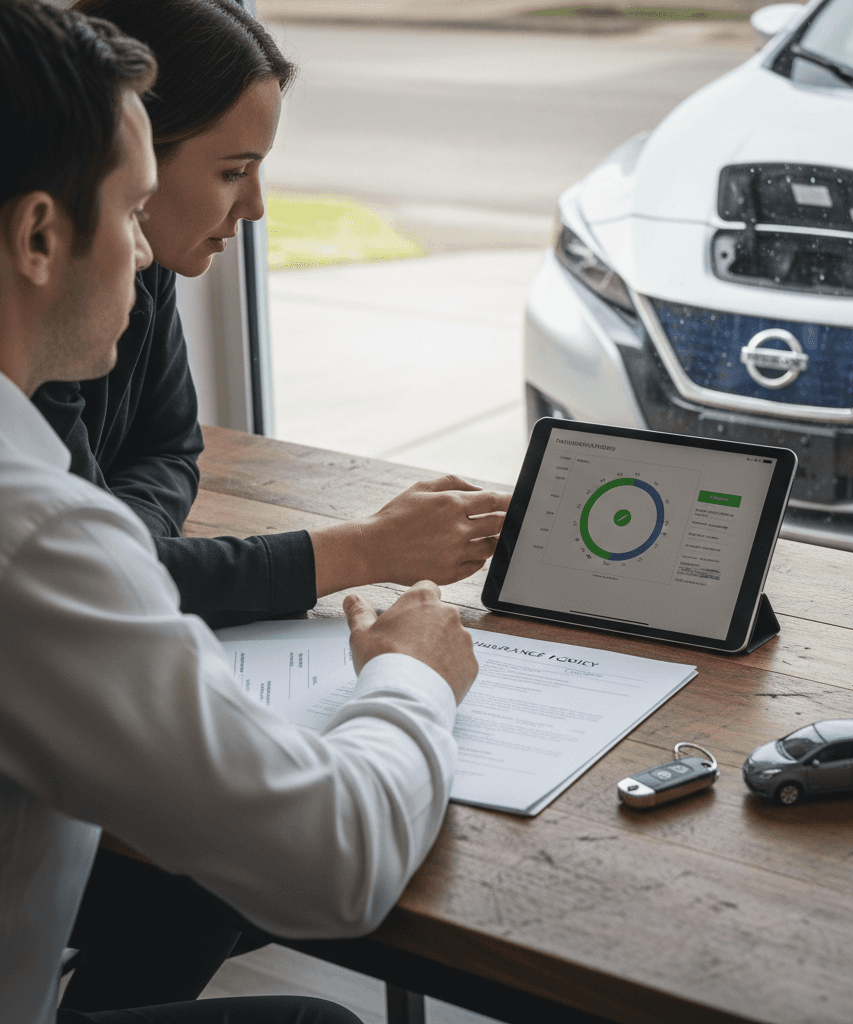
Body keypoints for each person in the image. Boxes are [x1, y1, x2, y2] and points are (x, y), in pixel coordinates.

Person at [0, 4, 480, 1024]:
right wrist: (413, 673)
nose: (143, 251)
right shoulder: (28, 535)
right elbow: (336, 861)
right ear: (40, 234)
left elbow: (168, 449)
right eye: (133, 212)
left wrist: (115, 552)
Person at [33, 0, 510, 635]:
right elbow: (93, 581)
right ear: (130, 145)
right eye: (234, 172)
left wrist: (126, 547)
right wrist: (366, 550)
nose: (255, 207)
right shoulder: (31, 330)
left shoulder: (146, 265)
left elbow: (169, 448)